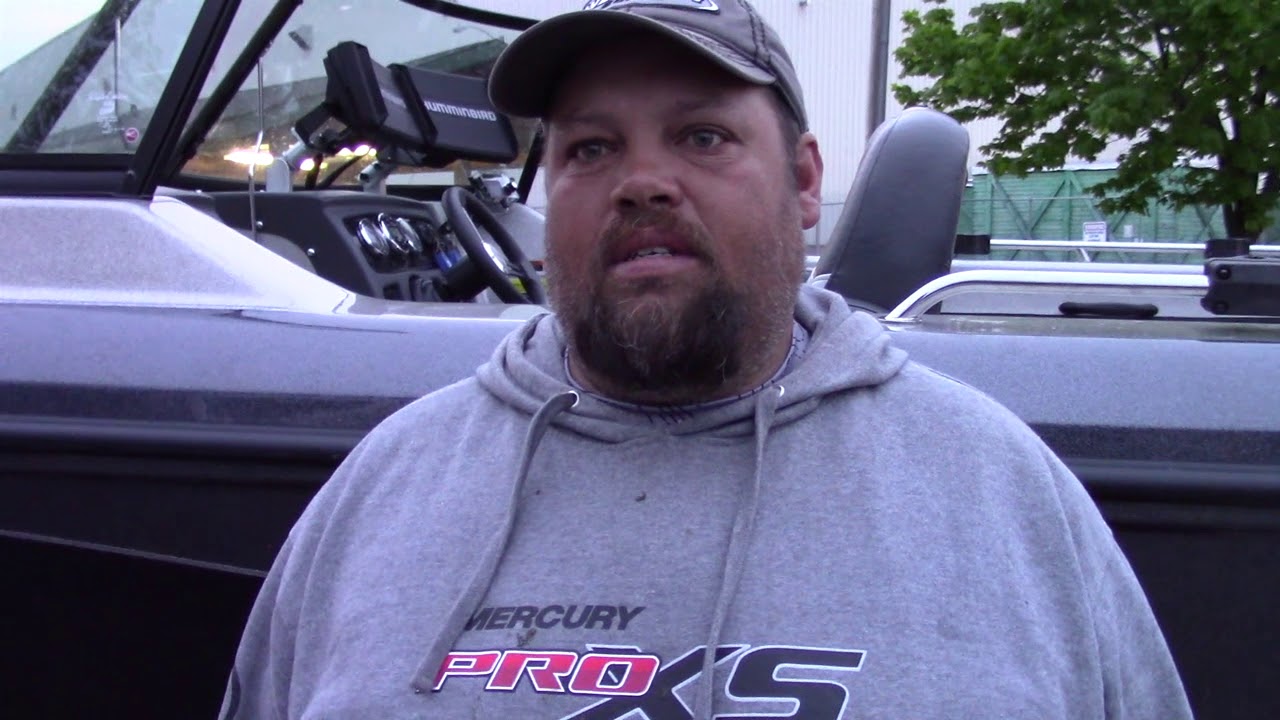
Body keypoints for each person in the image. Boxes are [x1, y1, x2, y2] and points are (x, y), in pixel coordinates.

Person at [221, 1, 1193, 718]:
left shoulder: (1003, 497)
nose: (643, 182)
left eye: (701, 136)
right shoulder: (379, 496)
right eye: (590, 150)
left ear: (803, 181)